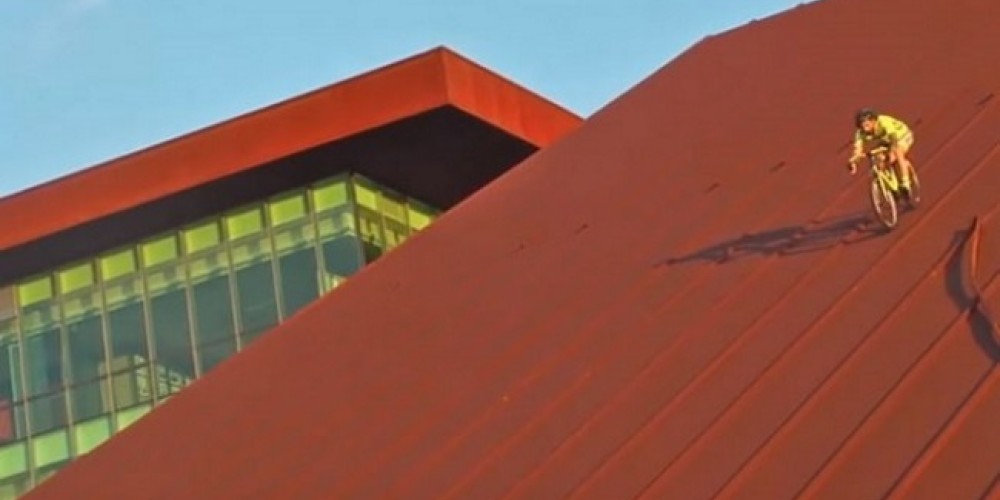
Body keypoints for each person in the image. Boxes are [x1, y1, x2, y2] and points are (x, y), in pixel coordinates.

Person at [847, 108, 915, 192]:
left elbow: (893, 138)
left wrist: (891, 152)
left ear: (874, 121)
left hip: (902, 135)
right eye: (862, 124)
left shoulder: (884, 122)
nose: (864, 126)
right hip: (886, 140)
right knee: (879, 157)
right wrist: (854, 161)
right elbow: (857, 150)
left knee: (897, 152)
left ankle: (906, 181)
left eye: (866, 123)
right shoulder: (860, 133)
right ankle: (892, 184)